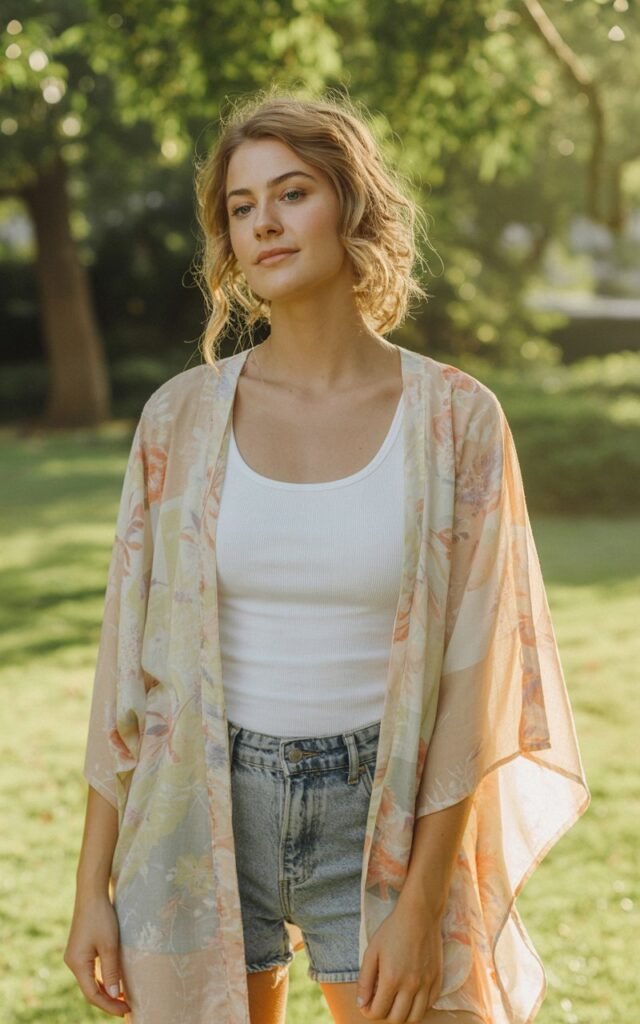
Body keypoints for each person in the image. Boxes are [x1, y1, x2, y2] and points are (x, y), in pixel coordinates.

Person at [63, 89, 590, 1024]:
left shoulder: (457, 420)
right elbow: (127, 677)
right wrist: (91, 887)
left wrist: (423, 899)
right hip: (199, 803)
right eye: (240, 205)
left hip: (381, 813)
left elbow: (481, 689)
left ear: (351, 205)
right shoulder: (177, 421)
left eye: (292, 192)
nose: (264, 221)